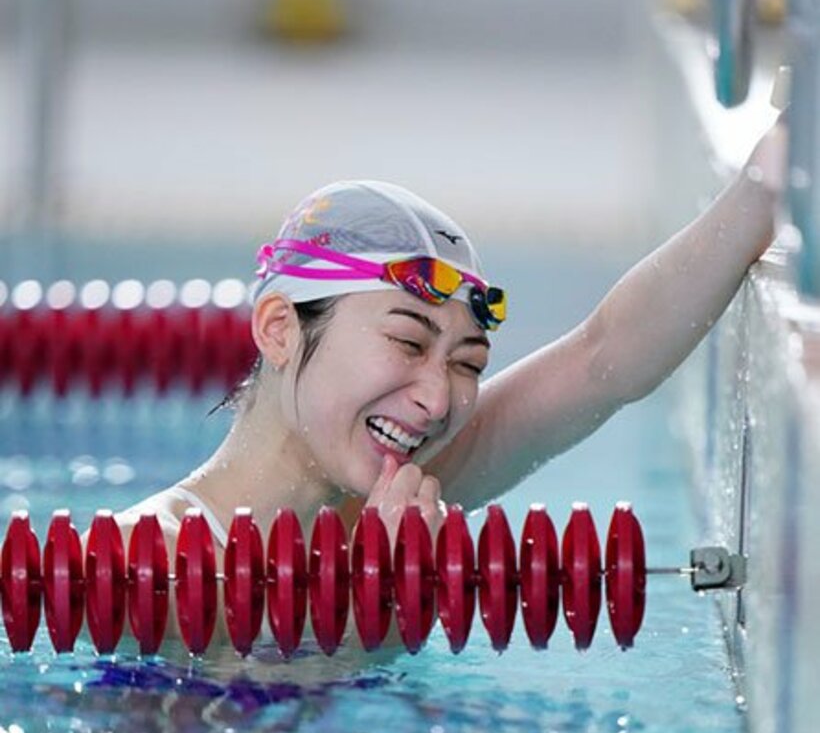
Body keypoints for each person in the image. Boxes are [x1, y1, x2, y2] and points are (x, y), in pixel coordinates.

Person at [113, 117, 785, 650]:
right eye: (408, 342)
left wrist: (767, 181)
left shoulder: (391, 502)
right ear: (280, 328)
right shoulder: (129, 559)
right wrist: (376, 600)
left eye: (468, 363)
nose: (438, 400)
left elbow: (601, 358)